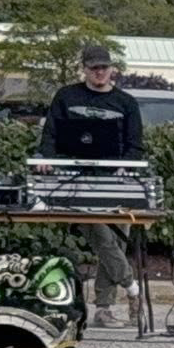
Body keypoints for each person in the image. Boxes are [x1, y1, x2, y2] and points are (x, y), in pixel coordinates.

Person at [36, 44, 143, 329]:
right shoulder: (66, 96)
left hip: (115, 181)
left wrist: (126, 165)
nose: (99, 72)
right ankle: (133, 289)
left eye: (104, 68)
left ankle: (104, 308)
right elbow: (50, 135)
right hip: (75, 183)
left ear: (112, 69)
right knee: (101, 235)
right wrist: (46, 160)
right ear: (84, 68)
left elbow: (135, 145)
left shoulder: (126, 102)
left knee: (118, 239)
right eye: (94, 68)